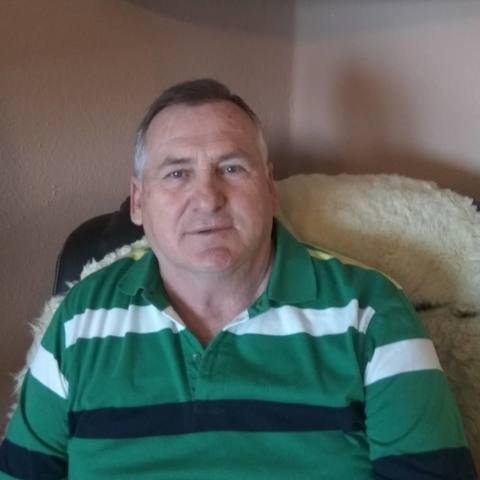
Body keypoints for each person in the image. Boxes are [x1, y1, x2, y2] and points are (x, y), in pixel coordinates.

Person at [0, 79, 476, 479]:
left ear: (268, 187)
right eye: (177, 173)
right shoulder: (80, 319)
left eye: (231, 168)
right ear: (139, 201)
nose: (208, 198)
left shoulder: (371, 312)